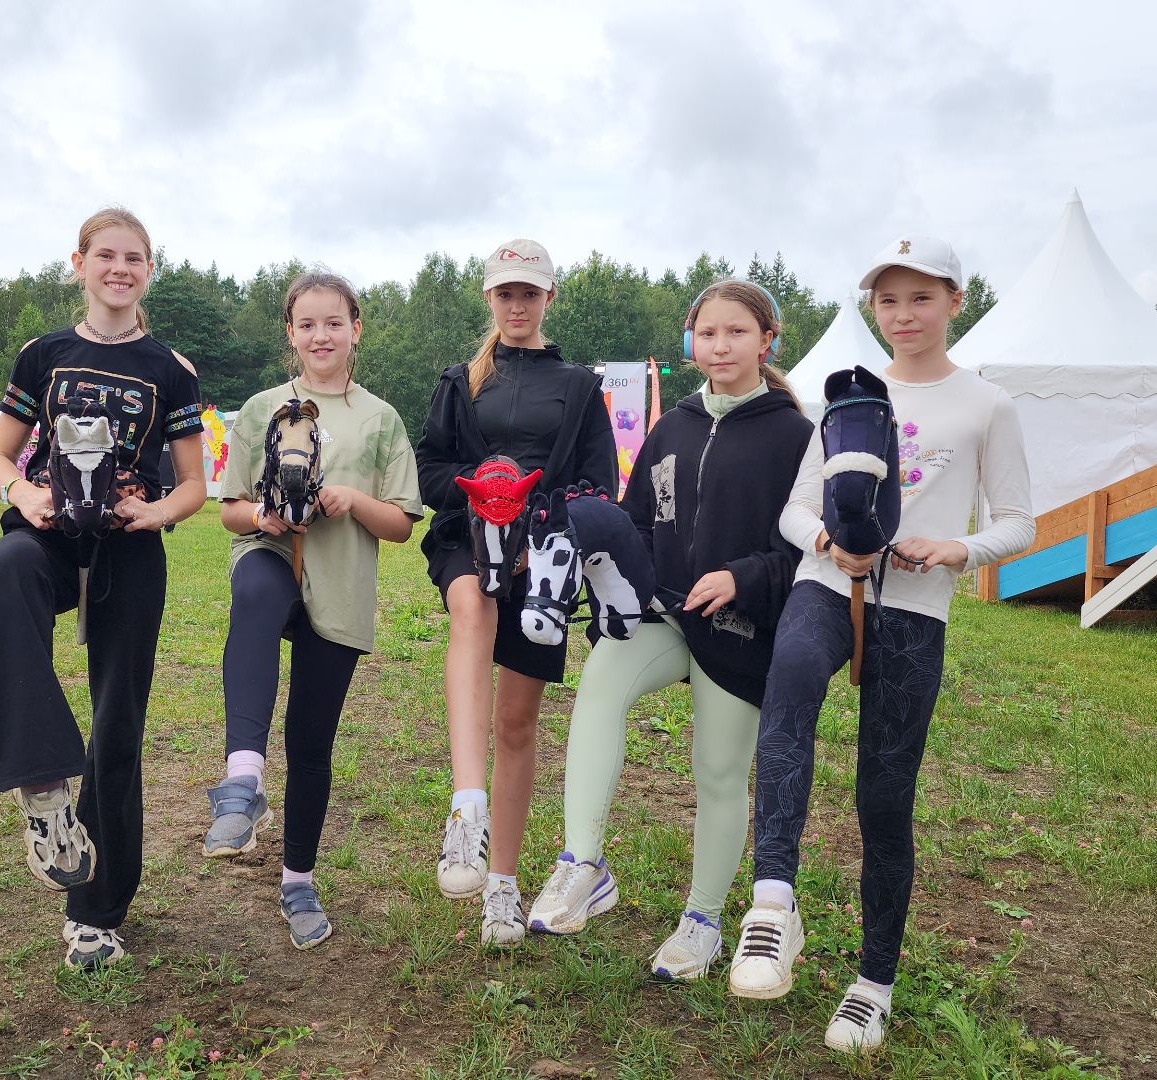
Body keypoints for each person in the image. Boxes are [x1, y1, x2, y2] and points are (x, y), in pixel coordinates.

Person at [730, 238, 1036, 1055]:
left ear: (955, 302)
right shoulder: (845, 401)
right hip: (827, 587)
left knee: (884, 798)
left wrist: (955, 549)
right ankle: (773, 902)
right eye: (888, 301)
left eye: (920, 299)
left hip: (916, 610)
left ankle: (874, 982)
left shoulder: (986, 406)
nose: (903, 316)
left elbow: (1019, 521)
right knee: (790, 682)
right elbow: (796, 510)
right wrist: (829, 538)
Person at [526, 281, 812, 981]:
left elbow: (807, 548)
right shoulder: (672, 427)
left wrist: (743, 576)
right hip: (664, 614)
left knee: (717, 772)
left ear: (767, 339)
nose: (721, 346)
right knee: (598, 689)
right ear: (691, 341)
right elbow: (631, 523)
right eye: (708, 333)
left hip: (742, 628)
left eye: (737, 332)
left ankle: (703, 921)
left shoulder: (796, 437)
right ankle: (583, 864)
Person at [0, 207, 206, 971]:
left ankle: (97, 913)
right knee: (5, 570)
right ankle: (42, 787)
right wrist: (25, 493)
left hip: (129, 548)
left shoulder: (172, 370)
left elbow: (196, 485)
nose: (120, 268)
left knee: (118, 728)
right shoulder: (44, 355)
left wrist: (154, 510)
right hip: (49, 530)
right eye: (106, 255)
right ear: (78, 263)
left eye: (135, 258)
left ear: (149, 270)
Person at [206, 271, 422, 949]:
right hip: (272, 555)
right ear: (291, 334)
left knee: (311, 742)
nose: (320, 335)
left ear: (356, 328)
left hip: (342, 586)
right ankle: (241, 782)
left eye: (334, 322)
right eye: (306, 324)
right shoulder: (262, 407)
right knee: (255, 598)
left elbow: (401, 524)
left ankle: (298, 879)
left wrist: (352, 499)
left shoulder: (380, 418)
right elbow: (228, 509)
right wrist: (263, 517)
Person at [415, 239, 618, 946]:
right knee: (470, 605)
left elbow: (600, 484)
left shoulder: (581, 387)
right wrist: (482, 494)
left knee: (517, 724)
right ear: (489, 299)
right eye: (506, 292)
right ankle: (465, 812)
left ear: (549, 298)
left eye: (529, 292)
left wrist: (538, 521)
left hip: (546, 562)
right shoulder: (459, 382)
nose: (517, 304)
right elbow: (430, 468)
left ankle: (501, 884)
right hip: (465, 543)